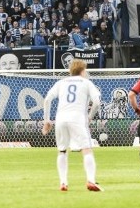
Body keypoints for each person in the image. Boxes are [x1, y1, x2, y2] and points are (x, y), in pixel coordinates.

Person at [41, 58, 103, 193]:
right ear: (82, 70)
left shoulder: (61, 82)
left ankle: (63, 182)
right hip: (77, 118)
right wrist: (89, 117)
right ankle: (91, 180)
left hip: (61, 118)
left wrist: (47, 120)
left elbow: (47, 99)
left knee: (62, 150)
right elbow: (97, 102)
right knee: (86, 149)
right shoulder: (86, 83)